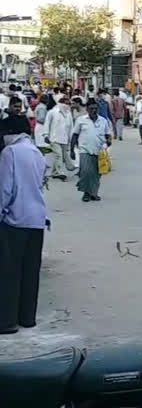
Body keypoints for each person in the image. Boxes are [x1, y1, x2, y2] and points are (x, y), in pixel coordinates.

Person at [0, 116, 47, 334]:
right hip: (36, 219)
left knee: (10, 272)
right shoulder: (37, 152)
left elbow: (5, 189)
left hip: (14, 220)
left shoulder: (10, 153)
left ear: (10, 132)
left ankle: (7, 321)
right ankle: (27, 317)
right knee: (31, 271)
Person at [71, 99, 112, 202]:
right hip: (85, 149)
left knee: (97, 174)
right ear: (87, 109)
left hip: (100, 150)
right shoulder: (81, 120)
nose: (94, 110)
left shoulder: (103, 120)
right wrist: (71, 150)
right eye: (91, 108)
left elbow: (108, 134)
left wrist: (109, 141)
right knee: (85, 172)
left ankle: (93, 193)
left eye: (95, 108)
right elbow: (75, 135)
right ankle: (86, 193)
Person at [43, 95, 75, 181]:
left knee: (62, 156)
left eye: (69, 104)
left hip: (64, 139)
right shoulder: (52, 112)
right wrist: (46, 135)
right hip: (54, 138)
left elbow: (71, 127)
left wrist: (71, 138)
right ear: (61, 103)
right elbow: (47, 123)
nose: (68, 105)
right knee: (58, 155)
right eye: (66, 103)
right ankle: (59, 173)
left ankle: (54, 172)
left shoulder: (68, 113)